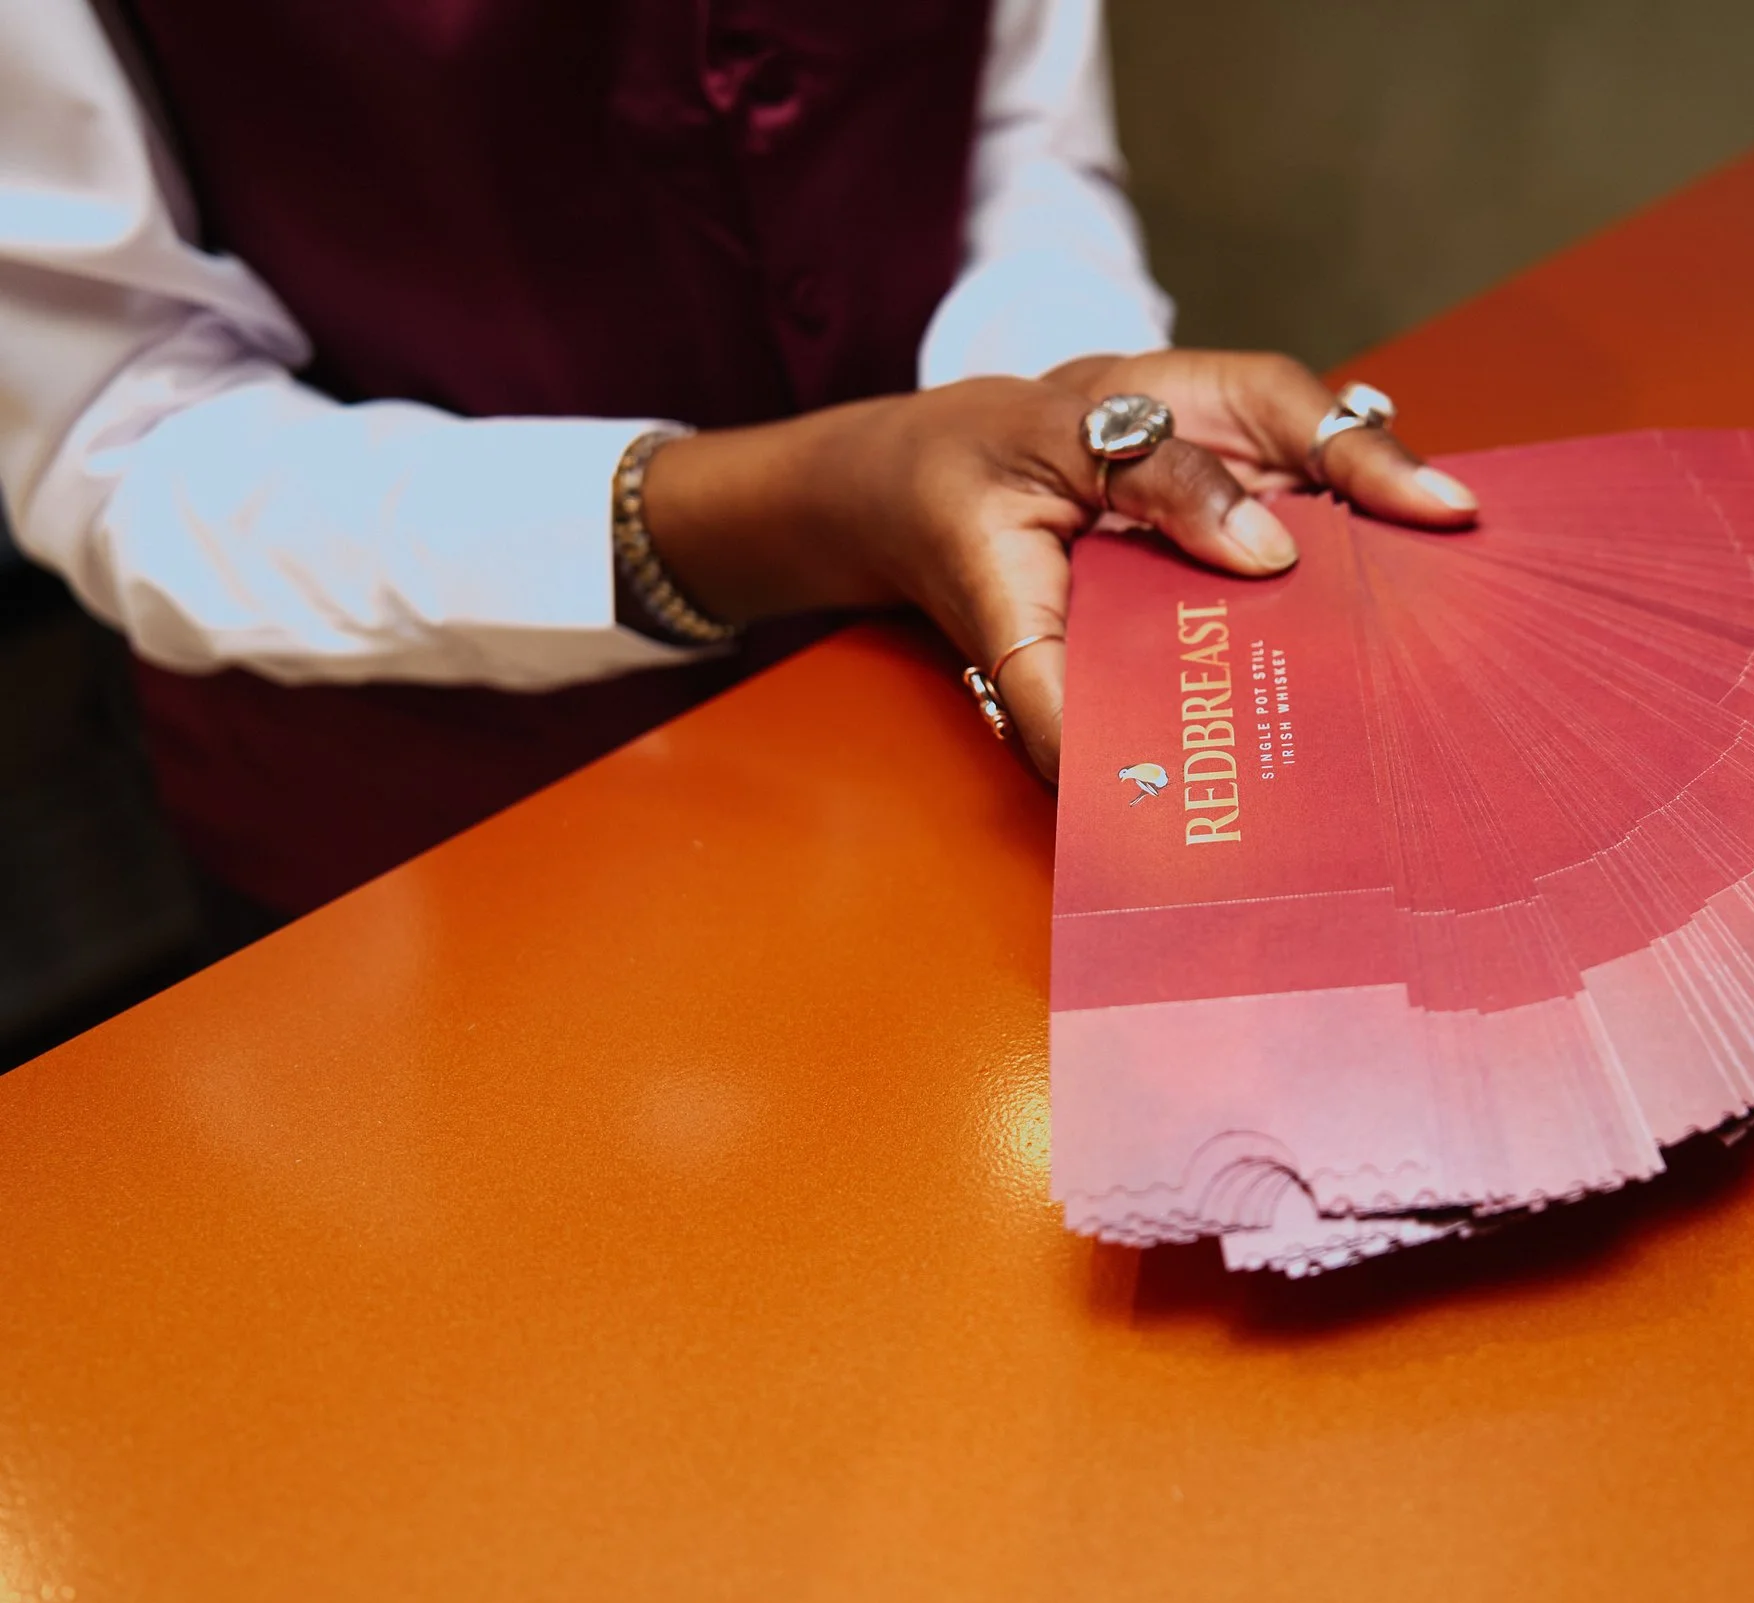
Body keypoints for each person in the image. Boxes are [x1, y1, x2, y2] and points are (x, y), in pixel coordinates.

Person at [0, 0, 1476, 924]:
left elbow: (1008, 132)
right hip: (432, 877)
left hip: (945, 766)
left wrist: (1067, 403)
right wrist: (801, 508)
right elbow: (116, 422)